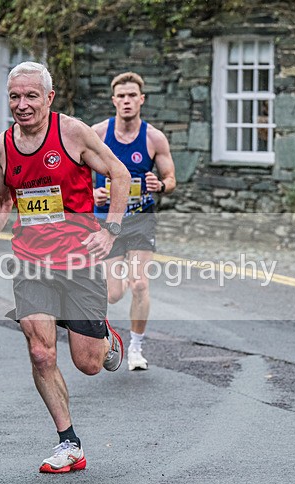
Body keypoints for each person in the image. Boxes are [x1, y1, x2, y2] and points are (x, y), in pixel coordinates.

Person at [0, 61, 132, 474]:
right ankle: (69, 443)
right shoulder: (2, 146)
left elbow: (120, 173)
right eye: (14, 97)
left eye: (31, 96)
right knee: (41, 352)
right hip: (31, 261)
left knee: (89, 363)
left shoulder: (73, 132)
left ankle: (108, 340)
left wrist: (111, 229)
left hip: (79, 260)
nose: (22, 105)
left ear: (49, 98)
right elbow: (2, 200)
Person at [92, 72, 176, 371]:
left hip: (141, 219)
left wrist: (160, 185)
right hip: (108, 220)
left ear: (141, 99)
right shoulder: (98, 133)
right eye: (121, 96)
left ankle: (136, 349)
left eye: (132, 96)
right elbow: (74, 173)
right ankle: (109, 332)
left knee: (140, 284)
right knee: (114, 295)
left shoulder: (154, 138)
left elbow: (170, 178)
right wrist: (93, 192)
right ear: (114, 100)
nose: (127, 101)